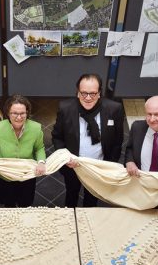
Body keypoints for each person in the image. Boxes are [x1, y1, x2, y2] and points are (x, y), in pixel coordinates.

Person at [52, 73, 125, 207]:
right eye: (84, 93)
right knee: (71, 194)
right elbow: (57, 137)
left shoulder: (114, 109)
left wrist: (109, 165)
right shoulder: (65, 108)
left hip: (97, 167)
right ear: (78, 93)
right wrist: (65, 158)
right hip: (73, 166)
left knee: (92, 198)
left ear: (99, 93)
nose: (88, 98)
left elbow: (117, 141)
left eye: (92, 93)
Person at [0, 95, 46, 207]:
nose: (19, 117)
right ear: (8, 113)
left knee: (25, 204)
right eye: (14, 113)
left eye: (22, 113)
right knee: (8, 204)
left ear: (27, 113)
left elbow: (39, 148)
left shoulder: (36, 128)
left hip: (26, 175)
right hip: (4, 175)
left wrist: (41, 162)